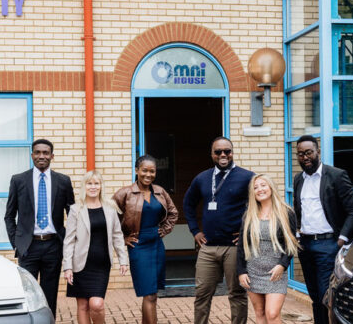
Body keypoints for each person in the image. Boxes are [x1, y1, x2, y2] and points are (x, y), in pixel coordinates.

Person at [183, 136, 254, 324]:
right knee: (201, 294)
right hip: (208, 248)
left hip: (234, 247)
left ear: (232, 153)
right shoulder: (202, 178)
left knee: (237, 294)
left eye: (227, 151)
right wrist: (195, 231)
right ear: (212, 154)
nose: (223, 155)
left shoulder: (247, 176)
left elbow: (260, 205)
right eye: (218, 152)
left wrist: (247, 232)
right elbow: (188, 204)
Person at [293, 135, 353, 324]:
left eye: (308, 152)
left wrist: (340, 240)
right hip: (305, 245)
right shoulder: (299, 179)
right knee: (315, 296)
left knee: (326, 296)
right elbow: (299, 211)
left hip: (328, 244)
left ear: (317, 152)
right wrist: (298, 236)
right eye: (300, 154)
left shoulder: (336, 176)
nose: (305, 157)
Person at [4, 139, 74, 317]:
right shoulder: (19, 180)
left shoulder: (63, 181)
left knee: (50, 294)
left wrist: (67, 242)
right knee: (28, 294)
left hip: (53, 245)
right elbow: (9, 216)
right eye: (37, 152)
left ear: (52, 156)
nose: (41, 156)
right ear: (32, 155)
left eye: (45, 153)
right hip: (28, 246)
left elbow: (72, 215)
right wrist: (17, 243)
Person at [113, 155, 178, 324]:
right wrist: (123, 238)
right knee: (148, 293)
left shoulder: (160, 192)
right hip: (138, 246)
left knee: (153, 294)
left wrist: (164, 230)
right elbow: (109, 219)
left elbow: (173, 213)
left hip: (157, 245)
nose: (148, 174)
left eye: (152, 171)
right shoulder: (125, 193)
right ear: (136, 170)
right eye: (144, 170)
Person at [62, 170, 129, 324]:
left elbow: (117, 235)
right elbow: (69, 240)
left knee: (96, 304)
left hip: (101, 265)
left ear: (101, 186)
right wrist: (67, 267)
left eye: (96, 183)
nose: (93, 187)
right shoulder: (76, 209)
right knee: (83, 305)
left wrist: (123, 260)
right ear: (84, 186)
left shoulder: (110, 208)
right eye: (89, 183)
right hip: (80, 265)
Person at [237, 174, 299, 324]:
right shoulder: (249, 214)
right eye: (255, 187)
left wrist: (282, 265)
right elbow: (241, 245)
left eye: (263, 185)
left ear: (271, 187)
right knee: (259, 313)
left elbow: (291, 243)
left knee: (272, 314)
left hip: (275, 273)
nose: (260, 189)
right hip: (253, 271)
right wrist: (241, 271)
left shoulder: (286, 212)